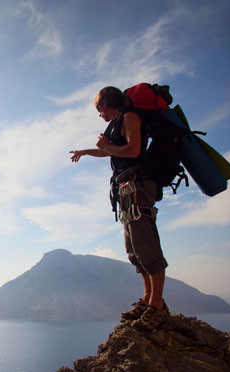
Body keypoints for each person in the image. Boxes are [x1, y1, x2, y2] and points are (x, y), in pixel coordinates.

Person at [70, 86, 169, 330]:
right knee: (133, 249)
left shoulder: (130, 118)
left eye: (98, 108)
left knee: (146, 246)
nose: (98, 114)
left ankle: (157, 305)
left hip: (138, 184)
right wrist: (87, 151)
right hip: (126, 188)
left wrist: (106, 146)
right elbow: (112, 151)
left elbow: (133, 150)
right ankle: (147, 299)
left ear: (106, 103)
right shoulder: (115, 124)